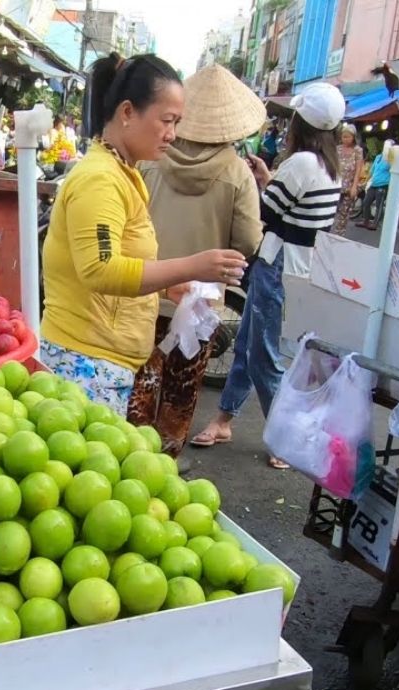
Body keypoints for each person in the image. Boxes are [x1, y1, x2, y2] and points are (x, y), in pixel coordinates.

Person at [40, 53, 249, 415]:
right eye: (166, 121)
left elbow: (121, 259)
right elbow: (101, 270)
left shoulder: (124, 172)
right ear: (126, 112)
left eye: (177, 123)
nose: (172, 135)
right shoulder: (100, 180)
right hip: (85, 363)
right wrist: (192, 266)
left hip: (103, 363)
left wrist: (167, 286)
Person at [191, 82, 344, 467]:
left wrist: (253, 187)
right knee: (247, 343)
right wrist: (268, 179)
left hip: (276, 265)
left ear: (300, 125)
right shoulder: (328, 166)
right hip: (298, 265)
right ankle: (224, 419)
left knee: (264, 355)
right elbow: (291, 206)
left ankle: (285, 438)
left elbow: (264, 217)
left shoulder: (302, 164)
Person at [128, 64, 265, 460]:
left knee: (142, 383)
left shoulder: (151, 159)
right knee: (181, 391)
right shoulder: (237, 173)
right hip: (201, 300)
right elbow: (248, 241)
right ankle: (164, 464)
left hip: (148, 286)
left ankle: (128, 461)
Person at [332, 124, 363, 234]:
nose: (345, 139)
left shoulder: (357, 150)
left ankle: (338, 236)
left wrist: (354, 186)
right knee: (330, 209)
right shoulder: (337, 149)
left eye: (348, 137)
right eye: (343, 137)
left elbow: (358, 169)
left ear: (353, 137)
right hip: (335, 184)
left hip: (349, 185)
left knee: (344, 213)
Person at [357, 146, 390, 230]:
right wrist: (365, 182)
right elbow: (372, 170)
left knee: (379, 204)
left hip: (383, 184)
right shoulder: (378, 157)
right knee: (366, 202)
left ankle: (375, 223)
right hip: (374, 183)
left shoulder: (391, 159)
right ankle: (366, 221)